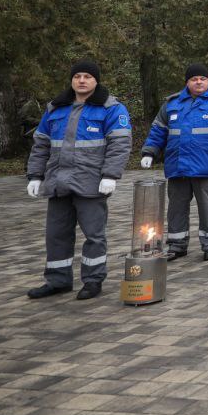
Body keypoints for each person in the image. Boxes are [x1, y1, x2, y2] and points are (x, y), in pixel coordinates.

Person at [25, 61, 132, 300]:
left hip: (91, 183)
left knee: (94, 236)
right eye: (77, 76)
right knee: (56, 235)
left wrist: (110, 175)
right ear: (72, 80)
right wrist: (35, 175)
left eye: (87, 76)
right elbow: (40, 144)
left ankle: (93, 280)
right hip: (57, 183)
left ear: (96, 81)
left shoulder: (111, 109)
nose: (82, 80)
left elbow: (120, 145)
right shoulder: (55, 108)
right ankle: (58, 280)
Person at [139, 63, 208, 261]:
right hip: (178, 167)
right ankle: (177, 245)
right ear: (187, 82)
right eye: (194, 79)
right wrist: (149, 152)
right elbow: (158, 131)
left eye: (202, 79)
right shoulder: (172, 103)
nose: (199, 82)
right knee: (176, 209)